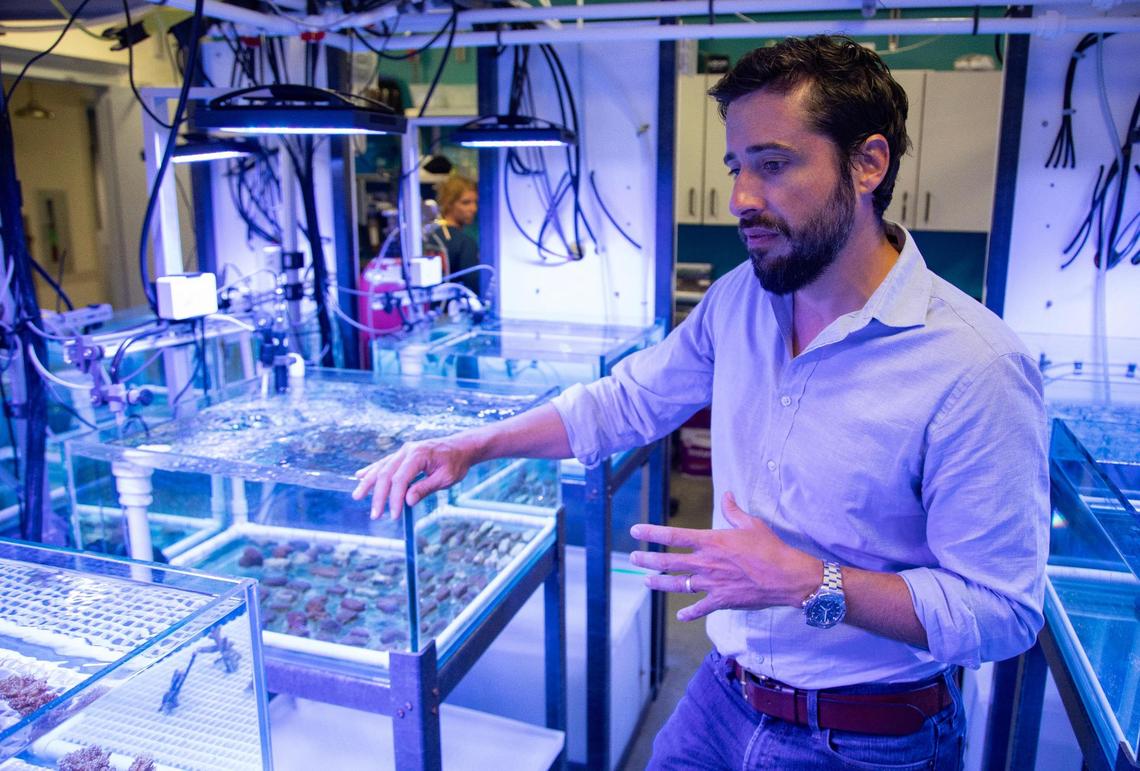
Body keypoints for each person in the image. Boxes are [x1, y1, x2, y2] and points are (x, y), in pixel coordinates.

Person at [352, 35, 1049, 770]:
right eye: (737, 168)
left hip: (869, 736)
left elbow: (1003, 613)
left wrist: (809, 580)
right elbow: (624, 402)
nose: (742, 199)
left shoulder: (976, 366)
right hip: (723, 695)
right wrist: (473, 445)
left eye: (774, 165)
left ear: (868, 163)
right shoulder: (740, 301)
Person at [430, 174, 480, 296]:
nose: (473, 208)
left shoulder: (432, 236)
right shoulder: (465, 243)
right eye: (466, 203)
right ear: (449, 203)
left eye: (475, 202)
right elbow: (473, 286)